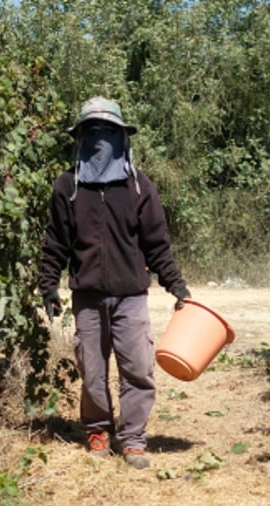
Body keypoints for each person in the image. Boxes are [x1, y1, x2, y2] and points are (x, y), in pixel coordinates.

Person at [38, 96, 191, 469]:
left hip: (131, 297)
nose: (100, 138)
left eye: (109, 131)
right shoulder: (67, 187)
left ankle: (134, 438)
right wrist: (48, 285)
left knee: (137, 367)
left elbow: (157, 243)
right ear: (81, 138)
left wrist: (177, 286)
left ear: (123, 137)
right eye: (93, 130)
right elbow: (56, 240)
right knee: (92, 371)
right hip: (87, 297)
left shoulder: (139, 187)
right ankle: (98, 429)